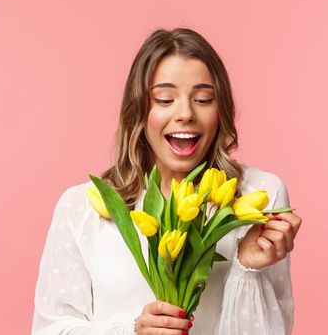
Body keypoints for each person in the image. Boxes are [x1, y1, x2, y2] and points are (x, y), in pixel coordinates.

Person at [31, 28, 303, 335]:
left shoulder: (258, 196)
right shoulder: (83, 207)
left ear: (221, 109)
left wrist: (247, 267)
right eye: (164, 99)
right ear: (139, 111)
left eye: (203, 99)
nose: (185, 113)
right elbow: (50, 330)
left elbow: (274, 328)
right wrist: (133, 331)